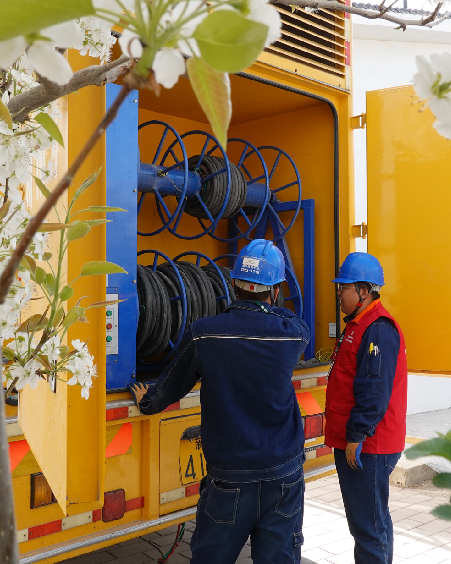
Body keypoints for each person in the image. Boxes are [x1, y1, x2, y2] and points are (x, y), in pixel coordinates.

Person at [130, 239, 310, 564]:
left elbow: (172, 386)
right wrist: (266, 308)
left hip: (230, 480)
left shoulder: (204, 334)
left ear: (233, 284)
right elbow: (292, 319)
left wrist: (148, 401)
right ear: (275, 291)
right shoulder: (291, 334)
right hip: (283, 476)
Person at [324, 252, 408, 564]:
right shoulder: (359, 324)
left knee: (368, 528)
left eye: (343, 288)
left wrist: (356, 436)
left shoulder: (378, 329)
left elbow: (374, 391)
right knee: (373, 523)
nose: (338, 293)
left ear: (363, 291)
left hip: (369, 446)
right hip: (362, 442)